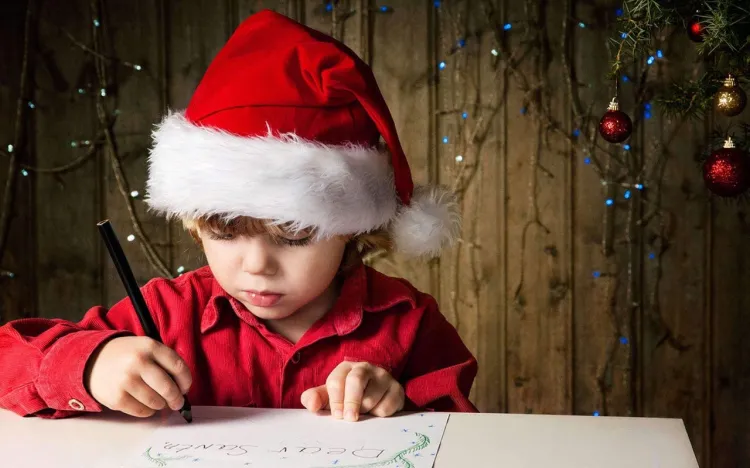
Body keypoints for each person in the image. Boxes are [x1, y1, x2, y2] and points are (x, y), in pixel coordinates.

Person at [0, 9, 477, 422]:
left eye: (292, 235)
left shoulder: (409, 323)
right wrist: (91, 364)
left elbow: (466, 431)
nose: (255, 266)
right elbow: (9, 359)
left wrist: (402, 406)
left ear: (351, 229)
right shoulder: (167, 315)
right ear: (195, 222)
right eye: (224, 232)